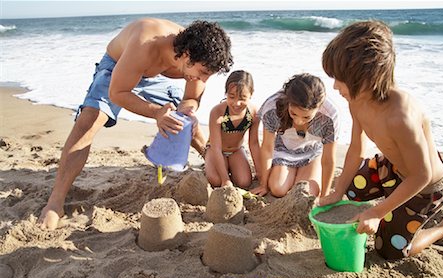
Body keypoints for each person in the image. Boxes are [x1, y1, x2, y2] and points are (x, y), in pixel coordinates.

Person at [38, 18, 233, 230]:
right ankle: (54, 203)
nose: (203, 80)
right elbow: (117, 92)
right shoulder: (145, 43)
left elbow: (191, 100)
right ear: (186, 55)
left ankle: (219, 170)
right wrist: (157, 113)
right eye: (203, 73)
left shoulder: (196, 57)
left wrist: (188, 112)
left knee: (185, 123)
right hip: (118, 69)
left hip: (154, 75)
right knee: (88, 122)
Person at [319, 20, 443, 260]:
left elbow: (423, 174)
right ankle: (393, 207)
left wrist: (378, 212)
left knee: (391, 250)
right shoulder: (356, 100)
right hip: (390, 167)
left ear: (367, 78)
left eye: (341, 79)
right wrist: (337, 191)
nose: (335, 86)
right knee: (349, 191)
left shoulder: (401, 116)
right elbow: (357, 148)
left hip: (425, 187)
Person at [251, 73, 339, 198]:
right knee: (277, 189)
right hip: (284, 150)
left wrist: (324, 195)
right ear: (288, 102)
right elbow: (267, 147)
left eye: (306, 117)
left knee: (306, 193)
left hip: (312, 152)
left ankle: (307, 170)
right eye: (293, 114)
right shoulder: (272, 108)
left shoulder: (330, 116)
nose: (298, 121)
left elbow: (329, 159)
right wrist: (263, 184)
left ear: (319, 107)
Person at [204, 70, 260, 188]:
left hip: (236, 150)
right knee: (216, 181)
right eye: (232, 97)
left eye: (243, 98)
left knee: (244, 183)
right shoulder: (217, 112)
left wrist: (260, 172)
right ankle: (218, 167)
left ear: (251, 94)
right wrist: (225, 180)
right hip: (216, 150)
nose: (237, 103)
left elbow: (254, 144)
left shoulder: (254, 113)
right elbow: (216, 147)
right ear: (226, 93)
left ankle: (231, 167)